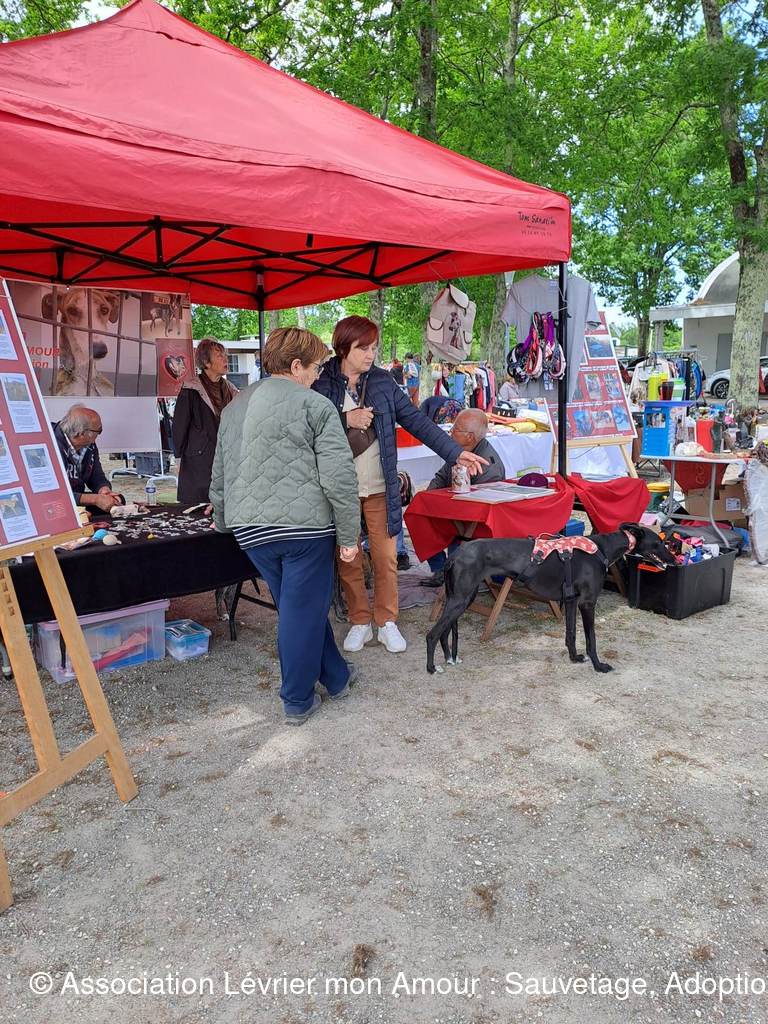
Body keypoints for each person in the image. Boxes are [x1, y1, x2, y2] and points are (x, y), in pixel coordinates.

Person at [210, 327, 360, 726]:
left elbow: (220, 472)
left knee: (300, 609)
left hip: (250, 528)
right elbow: (339, 477)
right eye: (315, 368)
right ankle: (296, 699)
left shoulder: (234, 407)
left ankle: (337, 677)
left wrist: (223, 519)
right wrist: (349, 535)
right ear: (296, 366)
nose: (317, 375)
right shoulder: (315, 405)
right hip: (304, 530)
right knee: (300, 612)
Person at [313, 315, 487, 654]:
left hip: (380, 486)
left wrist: (455, 454)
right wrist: (345, 418)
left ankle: (386, 620)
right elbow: (309, 428)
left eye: (374, 347)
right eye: (363, 348)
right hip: (339, 489)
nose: (370, 354)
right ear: (344, 347)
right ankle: (360, 621)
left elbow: (418, 422)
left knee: (386, 557)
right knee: (348, 558)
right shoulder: (322, 383)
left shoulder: (382, 382)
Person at [420, 410, 506, 588]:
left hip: (474, 521)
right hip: (455, 510)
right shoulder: (460, 452)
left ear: (470, 437)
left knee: (459, 533)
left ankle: (455, 573)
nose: (450, 432)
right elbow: (441, 477)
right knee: (420, 513)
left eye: (455, 429)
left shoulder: (488, 465)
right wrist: (428, 499)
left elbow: (480, 507)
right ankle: (440, 569)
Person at [172, 336, 238, 504]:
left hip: (225, 459)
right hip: (199, 461)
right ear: (207, 363)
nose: (225, 359)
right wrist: (178, 458)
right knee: (199, 508)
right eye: (219, 356)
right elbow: (179, 427)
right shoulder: (191, 389)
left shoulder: (230, 389)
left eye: (225, 355)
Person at [53, 405, 123, 512]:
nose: (99, 434)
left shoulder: (89, 445)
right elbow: (53, 495)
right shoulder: (51, 446)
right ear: (81, 433)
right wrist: (95, 499)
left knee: (117, 500)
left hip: (77, 499)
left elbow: (97, 476)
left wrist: (104, 490)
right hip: (57, 502)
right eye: (99, 431)